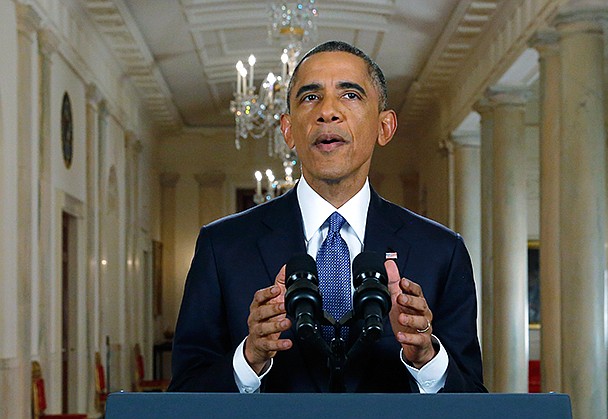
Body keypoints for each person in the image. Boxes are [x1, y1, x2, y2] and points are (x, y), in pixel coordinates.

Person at [168, 40, 485, 393]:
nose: (328, 112)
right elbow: (184, 393)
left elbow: (471, 396)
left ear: (385, 127)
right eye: (310, 97)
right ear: (288, 130)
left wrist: (427, 358)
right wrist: (249, 357)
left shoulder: (441, 251)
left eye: (350, 95)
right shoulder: (222, 246)